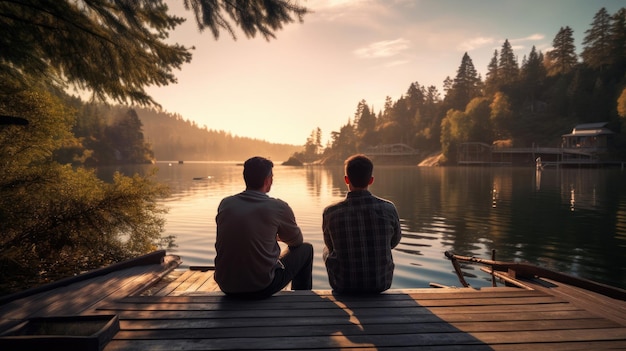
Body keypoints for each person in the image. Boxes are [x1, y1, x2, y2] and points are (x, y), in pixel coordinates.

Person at [214, 156, 313, 299]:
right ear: (268, 180)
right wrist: (277, 236)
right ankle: (302, 299)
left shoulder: (226, 204)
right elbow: (297, 242)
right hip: (261, 287)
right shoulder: (278, 207)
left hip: (227, 286)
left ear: (245, 178)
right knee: (306, 249)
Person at [323, 154, 402, 294]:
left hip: (343, 286)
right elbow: (393, 242)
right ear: (371, 180)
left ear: (346, 179)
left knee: (326, 250)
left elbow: (331, 247)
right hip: (381, 284)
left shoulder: (330, 212)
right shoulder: (389, 208)